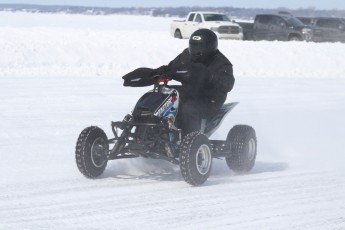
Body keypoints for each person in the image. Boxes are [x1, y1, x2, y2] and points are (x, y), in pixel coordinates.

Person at [123, 29, 235, 135]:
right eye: (193, 46)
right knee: (161, 95)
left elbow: (228, 84)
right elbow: (172, 68)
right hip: (190, 92)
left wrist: (209, 76)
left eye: (200, 47)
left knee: (189, 108)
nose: (196, 51)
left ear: (210, 47)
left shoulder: (221, 63)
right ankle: (147, 129)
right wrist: (157, 73)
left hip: (210, 100)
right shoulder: (186, 55)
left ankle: (189, 138)